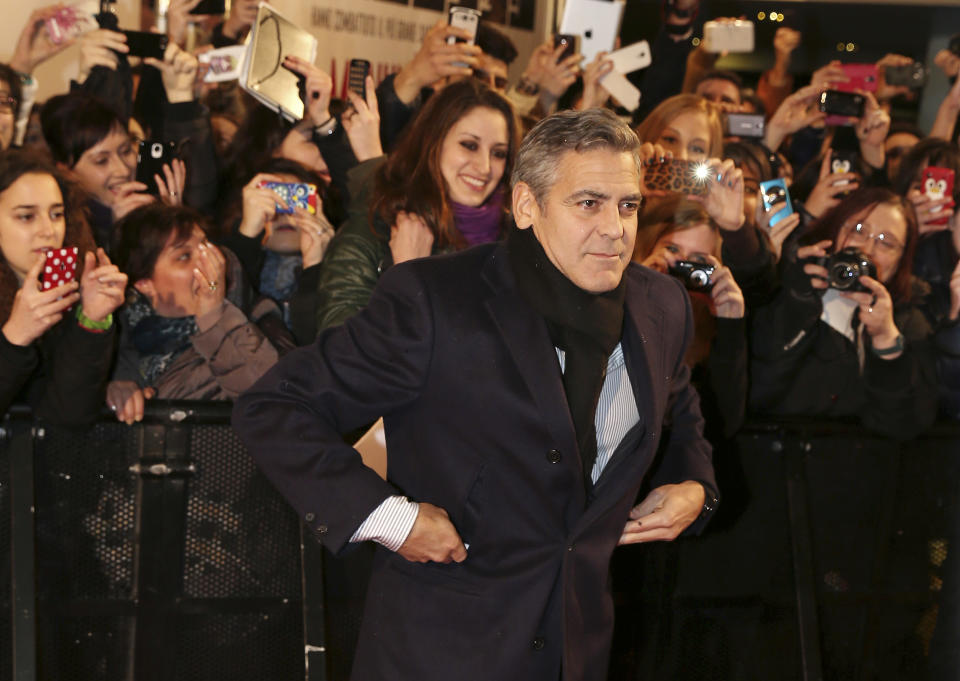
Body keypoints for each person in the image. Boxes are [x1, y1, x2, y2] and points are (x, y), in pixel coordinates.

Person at [233, 108, 717, 681]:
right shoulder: (435, 301)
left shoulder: (659, 305)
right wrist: (392, 519)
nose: (615, 227)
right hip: (440, 655)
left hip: (576, 652)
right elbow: (276, 407)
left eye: (628, 205)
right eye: (589, 203)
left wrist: (693, 487)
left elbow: (679, 407)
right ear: (526, 205)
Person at [314, 77, 519, 332]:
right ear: (432, 143)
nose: (485, 167)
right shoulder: (374, 233)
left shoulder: (521, 239)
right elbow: (345, 355)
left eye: (498, 153)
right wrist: (408, 278)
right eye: (469, 145)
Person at [749, 187, 937, 439]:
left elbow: (904, 426)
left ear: (901, 259)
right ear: (836, 230)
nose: (868, 248)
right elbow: (756, 390)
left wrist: (885, 338)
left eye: (886, 242)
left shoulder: (908, 319)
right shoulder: (792, 283)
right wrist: (796, 301)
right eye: (858, 230)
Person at [107, 203, 279, 423]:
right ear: (144, 283)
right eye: (184, 256)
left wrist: (215, 316)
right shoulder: (117, 340)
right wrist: (116, 389)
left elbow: (276, 401)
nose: (206, 262)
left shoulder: (259, 317)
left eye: (206, 246)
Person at [0, 149, 127, 425]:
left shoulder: (68, 287)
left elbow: (68, 416)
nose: (48, 230)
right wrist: (14, 338)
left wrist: (91, 321)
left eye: (56, 214)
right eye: (26, 216)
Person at [635, 195, 747, 439]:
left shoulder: (712, 323)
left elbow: (721, 424)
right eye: (672, 250)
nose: (680, 266)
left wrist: (730, 325)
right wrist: (637, 294)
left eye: (696, 261)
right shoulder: (619, 300)